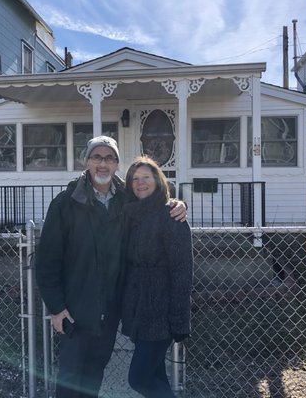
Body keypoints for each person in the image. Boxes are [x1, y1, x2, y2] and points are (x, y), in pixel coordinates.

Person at [35, 136, 186, 398]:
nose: (103, 164)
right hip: (75, 310)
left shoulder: (125, 200)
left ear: (117, 164)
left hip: (110, 310)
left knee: (94, 376)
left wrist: (178, 204)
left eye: (109, 158)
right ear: (87, 162)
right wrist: (57, 308)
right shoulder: (65, 203)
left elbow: (154, 197)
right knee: (71, 379)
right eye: (97, 157)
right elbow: (47, 261)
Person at [121, 156, 194, 398]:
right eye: (135, 179)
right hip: (137, 310)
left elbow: (183, 271)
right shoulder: (129, 214)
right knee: (156, 377)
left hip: (160, 313)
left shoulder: (170, 215)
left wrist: (180, 319)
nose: (140, 183)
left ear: (158, 181)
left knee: (138, 379)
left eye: (146, 177)